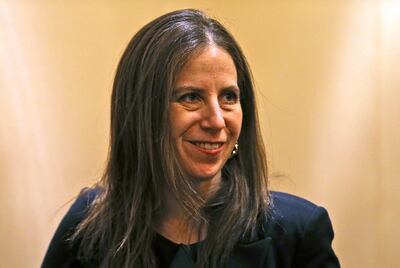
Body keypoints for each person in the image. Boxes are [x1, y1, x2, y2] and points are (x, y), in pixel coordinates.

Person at [42, 9, 340, 268]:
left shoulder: (298, 232)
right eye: (191, 97)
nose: (216, 120)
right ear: (143, 114)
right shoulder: (89, 225)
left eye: (228, 97)